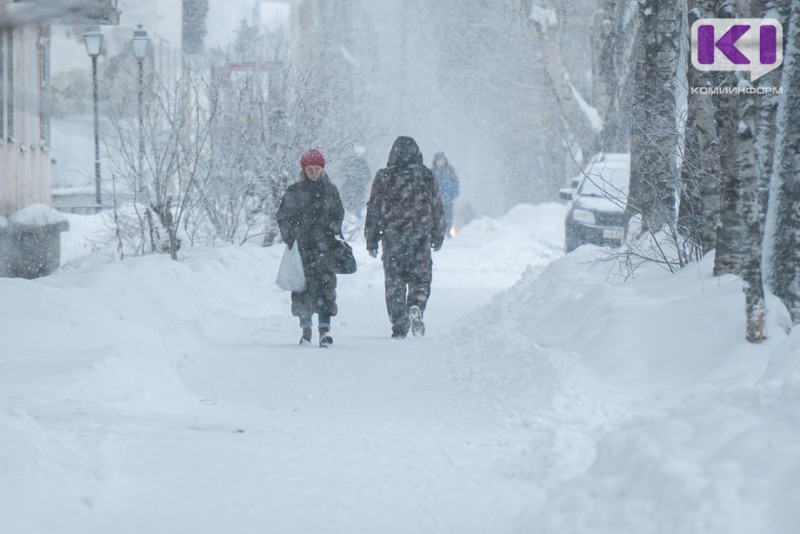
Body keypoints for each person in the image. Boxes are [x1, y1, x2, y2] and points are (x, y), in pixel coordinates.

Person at [365, 136, 446, 339]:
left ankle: (399, 322)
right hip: (420, 236)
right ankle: (416, 305)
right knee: (421, 278)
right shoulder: (425, 175)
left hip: (393, 238)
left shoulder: (384, 176)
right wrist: (438, 234)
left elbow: (373, 208)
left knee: (395, 282)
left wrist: (371, 238)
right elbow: (436, 206)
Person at [276, 149, 345, 348]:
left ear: (322, 169)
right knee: (302, 289)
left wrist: (332, 228)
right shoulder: (294, 191)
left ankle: (325, 330)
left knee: (326, 288)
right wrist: (291, 236)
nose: (313, 172)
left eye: (317, 169)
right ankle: (306, 330)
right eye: (310, 169)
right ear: (304, 170)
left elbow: (338, 213)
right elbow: (283, 216)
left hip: (325, 249)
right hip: (302, 249)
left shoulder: (330, 190)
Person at [431, 152, 460, 236]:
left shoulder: (450, 170)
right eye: (438, 160)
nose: (439, 162)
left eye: (441, 160)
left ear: (444, 160)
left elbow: (455, 182)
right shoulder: (433, 171)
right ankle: (438, 233)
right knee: (436, 216)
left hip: (448, 199)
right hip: (436, 199)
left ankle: (448, 232)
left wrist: (454, 193)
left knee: (448, 216)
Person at [340, 145, 372, 218]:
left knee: (352, 201)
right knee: (358, 202)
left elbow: (344, 173)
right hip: (358, 187)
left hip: (354, 186)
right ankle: (355, 215)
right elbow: (368, 176)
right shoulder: (361, 162)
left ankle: (352, 215)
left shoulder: (350, 161)